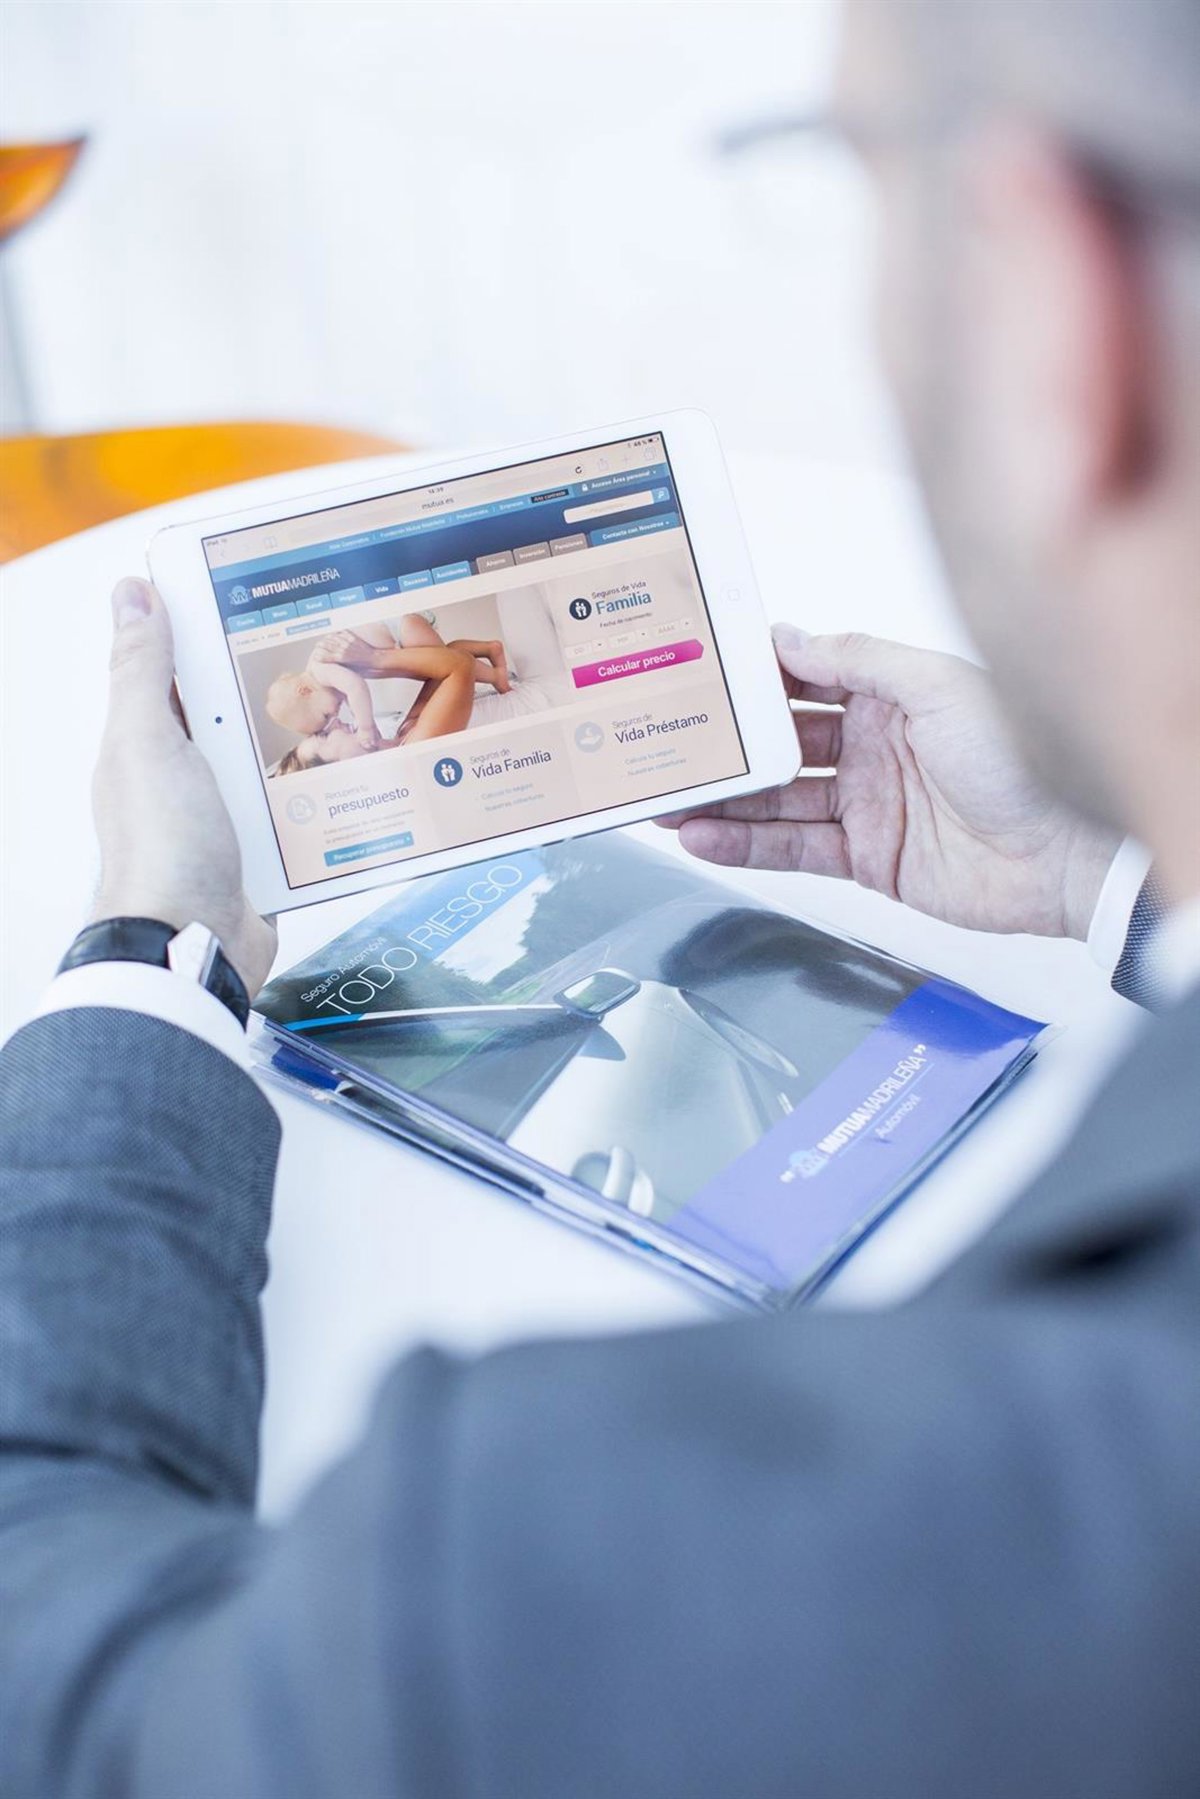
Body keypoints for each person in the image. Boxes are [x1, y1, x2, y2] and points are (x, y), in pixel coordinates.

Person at [2, 1, 1197, 1794]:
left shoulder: (540, 1571)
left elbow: (55, 1663)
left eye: (854, 169)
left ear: (1049, 296)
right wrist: (1109, 868)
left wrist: (146, 951)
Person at [266, 621, 512, 775]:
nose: (334, 723)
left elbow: (443, 663)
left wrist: (371, 661)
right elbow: (459, 665)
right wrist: (373, 659)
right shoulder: (414, 751)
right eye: (324, 735)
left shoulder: (400, 737)